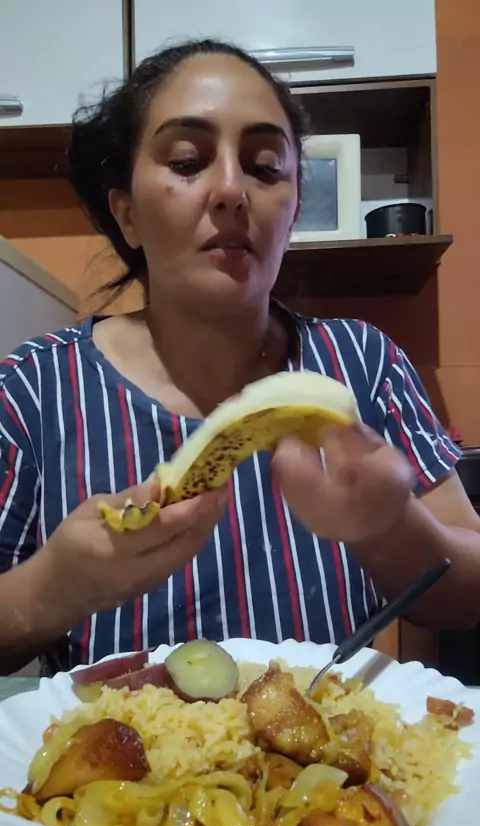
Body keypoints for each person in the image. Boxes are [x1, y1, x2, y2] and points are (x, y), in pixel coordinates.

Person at [1, 39, 479, 677]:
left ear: (293, 212)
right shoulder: (34, 390)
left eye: (264, 166)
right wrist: (53, 588)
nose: (231, 189)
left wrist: (391, 529)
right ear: (127, 214)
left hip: (329, 739)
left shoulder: (363, 362)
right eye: (187, 160)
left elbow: (467, 593)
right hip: (117, 744)